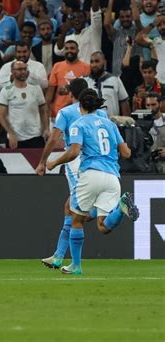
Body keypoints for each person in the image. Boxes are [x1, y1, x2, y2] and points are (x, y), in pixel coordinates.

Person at [45, 89, 139, 274]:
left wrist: (54, 162)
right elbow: (126, 153)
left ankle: (76, 266)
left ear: (80, 106)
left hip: (91, 174)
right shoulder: (110, 124)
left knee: (76, 220)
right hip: (113, 177)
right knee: (103, 226)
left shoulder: (78, 124)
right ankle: (121, 207)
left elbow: (73, 152)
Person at [36, 78, 108, 269]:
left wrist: (43, 162)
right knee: (69, 208)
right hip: (99, 161)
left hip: (77, 162)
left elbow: (53, 139)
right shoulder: (101, 113)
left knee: (78, 211)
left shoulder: (66, 112)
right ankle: (58, 256)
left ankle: (116, 210)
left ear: (71, 94)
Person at [0, 61, 49, 149]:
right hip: (16, 138)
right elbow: (2, 116)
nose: (23, 72)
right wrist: (10, 133)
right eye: (19, 69)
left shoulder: (36, 88)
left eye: (25, 69)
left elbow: (43, 111)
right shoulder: (6, 91)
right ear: (12, 72)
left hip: (35, 136)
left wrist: (46, 128)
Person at [46, 40, 91, 119]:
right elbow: (50, 93)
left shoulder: (86, 67)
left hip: (79, 114)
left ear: (78, 50)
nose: (69, 50)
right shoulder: (57, 66)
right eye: (66, 48)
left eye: (72, 48)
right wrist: (48, 112)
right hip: (59, 113)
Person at [84, 51, 130, 117]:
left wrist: (127, 123)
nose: (94, 65)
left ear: (104, 62)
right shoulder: (85, 81)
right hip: (91, 124)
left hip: (112, 123)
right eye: (92, 62)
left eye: (97, 61)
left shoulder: (115, 80)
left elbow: (124, 102)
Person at [145, 93, 165, 173]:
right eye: (148, 105)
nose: (150, 108)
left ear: (160, 104)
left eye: (153, 105)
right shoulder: (139, 123)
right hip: (147, 163)